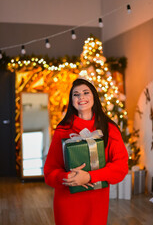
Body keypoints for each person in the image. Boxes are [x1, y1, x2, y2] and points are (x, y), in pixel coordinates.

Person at [44, 78, 128, 225]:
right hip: (67, 203)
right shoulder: (62, 130)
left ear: (93, 97)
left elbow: (121, 168)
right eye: (76, 94)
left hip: (96, 203)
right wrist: (67, 177)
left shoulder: (110, 129)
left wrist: (89, 176)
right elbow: (49, 172)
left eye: (85, 92)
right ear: (71, 101)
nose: (81, 97)